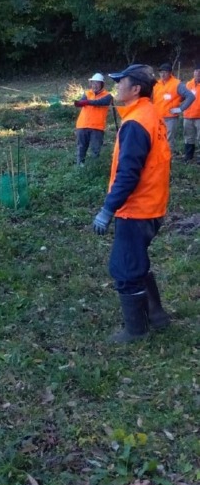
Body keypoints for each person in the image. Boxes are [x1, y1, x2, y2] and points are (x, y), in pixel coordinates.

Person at [92, 64, 171, 342]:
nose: (116, 86)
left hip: (137, 209)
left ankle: (136, 331)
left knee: (125, 268)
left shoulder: (137, 122)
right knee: (137, 261)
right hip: (152, 205)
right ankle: (157, 316)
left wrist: (107, 209)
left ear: (135, 88)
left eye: (120, 82)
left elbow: (128, 173)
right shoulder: (150, 115)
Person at [73, 72, 113, 166]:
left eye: (97, 83)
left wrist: (86, 102)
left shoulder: (107, 96)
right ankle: (80, 167)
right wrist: (79, 103)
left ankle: (94, 169)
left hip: (97, 127)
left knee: (95, 149)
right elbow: (81, 102)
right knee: (81, 148)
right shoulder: (87, 93)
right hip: (82, 125)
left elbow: (100, 102)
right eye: (93, 83)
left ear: (102, 84)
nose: (94, 85)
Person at [152, 62, 194, 146]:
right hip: (158, 118)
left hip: (170, 119)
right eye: (161, 72)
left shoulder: (177, 84)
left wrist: (180, 109)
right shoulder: (156, 84)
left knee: (168, 142)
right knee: (158, 141)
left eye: (165, 72)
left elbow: (190, 96)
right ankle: (160, 158)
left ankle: (168, 158)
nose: (162, 74)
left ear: (170, 73)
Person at [182, 65, 200, 163]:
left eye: (199, 75)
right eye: (196, 74)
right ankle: (188, 156)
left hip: (199, 116)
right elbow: (182, 97)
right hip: (188, 116)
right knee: (188, 137)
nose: (197, 76)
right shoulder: (188, 84)